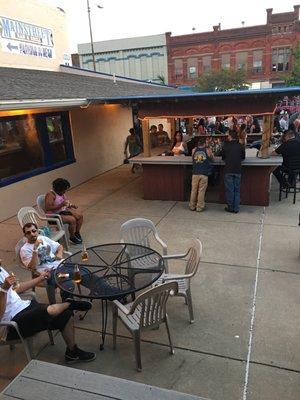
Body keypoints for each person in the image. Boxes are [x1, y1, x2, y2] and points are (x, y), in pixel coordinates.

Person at [0, 265, 96, 363]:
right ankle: (70, 303)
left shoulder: (1, 270)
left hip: (25, 307)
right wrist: (3, 290)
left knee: (65, 313)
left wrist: (40, 278)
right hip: (11, 324)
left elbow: (17, 288)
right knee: (45, 311)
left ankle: (72, 353)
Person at [20, 222, 68, 302]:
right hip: (49, 273)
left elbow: (59, 246)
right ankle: (67, 303)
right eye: (28, 233)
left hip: (61, 265)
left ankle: (95, 288)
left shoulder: (43, 238)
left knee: (80, 272)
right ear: (25, 236)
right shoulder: (24, 249)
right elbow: (32, 267)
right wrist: (35, 248)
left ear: (37, 231)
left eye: (34, 231)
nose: (32, 234)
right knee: (67, 279)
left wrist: (59, 253)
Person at [45, 178, 83, 245]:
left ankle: (77, 232)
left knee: (80, 216)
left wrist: (71, 205)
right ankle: (72, 236)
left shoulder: (61, 194)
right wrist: (61, 205)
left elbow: (65, 203)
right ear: (58, 189)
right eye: (64, 190)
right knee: (72, 220)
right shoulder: (50, 195)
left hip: (62, 212)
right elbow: (48, 208)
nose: (65, 191)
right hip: (53, 216)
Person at [221, 130, 245, 213]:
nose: (227, 137)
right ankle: (236, 208)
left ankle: (230, 207)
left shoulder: (225, 146)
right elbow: (243, 157)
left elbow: (223, 157)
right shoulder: (241, 146)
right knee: (237, 190)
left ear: (230, 136)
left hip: (228, 169)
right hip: (238, 169)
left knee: (230, 190)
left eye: (228, 136)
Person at [189, 137, 213, 212]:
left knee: (193, 190)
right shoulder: (207, 150)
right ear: (204, 144)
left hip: (195, 173)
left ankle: (192, 206)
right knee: (201, 191)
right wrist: (209, 148)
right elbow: (212, 158)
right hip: (204, 173)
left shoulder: (193, 150)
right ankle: (199, 207)